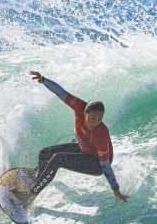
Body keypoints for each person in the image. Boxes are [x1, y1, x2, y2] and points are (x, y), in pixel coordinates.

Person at [29, 71, 128, 202]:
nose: (96, 122)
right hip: (85, 148)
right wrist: (43, 80)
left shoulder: (101, 134)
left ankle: (31, 194)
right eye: (93, 117)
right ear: (85, 113)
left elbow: (105, 165)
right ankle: (37, 180)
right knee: (44, 153)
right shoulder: (79, 107)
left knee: (58, 159)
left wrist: (115, 188)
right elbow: (61, 92)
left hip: (97, 163)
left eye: (100, 119)